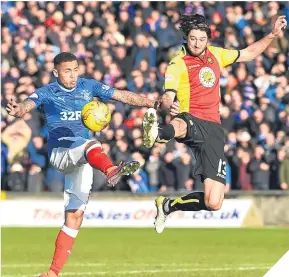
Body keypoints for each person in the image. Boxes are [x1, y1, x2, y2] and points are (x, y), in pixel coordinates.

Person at [5, 52, 178, 277]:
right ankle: (111, 170)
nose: (73, 75)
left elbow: (121, 95)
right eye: (68, 71)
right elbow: (29, 103)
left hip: (84, 158)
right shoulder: (48, 91)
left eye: (76, 69)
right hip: (62, 151)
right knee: (91, 144)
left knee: (75, 215)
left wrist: (151, 103)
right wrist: (18, 110)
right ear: (56, 72)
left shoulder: (88, 86)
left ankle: (52, 272)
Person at [142, 14, 287, 234]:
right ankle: (159, 133)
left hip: (213, 129)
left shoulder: (217, 55)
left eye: (202, 39)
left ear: (208, 39)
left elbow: (248, 53)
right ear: (186, 38)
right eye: (193, 39)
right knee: (182, 123)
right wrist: (167, 104)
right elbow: (168, 95)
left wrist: (272, 35)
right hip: (189, 117)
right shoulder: (177, 63)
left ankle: (168, 205)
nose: (197, 43)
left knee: (214, 202)